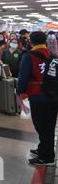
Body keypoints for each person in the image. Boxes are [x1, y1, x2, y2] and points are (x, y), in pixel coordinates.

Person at [17, 31, 58, 166]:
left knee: (41, 126)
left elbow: (23, 77)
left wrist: (20, 92)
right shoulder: (53, 55)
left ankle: (47, 157)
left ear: (31, 42)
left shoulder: (29, 56)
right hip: (54, 95)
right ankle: (43, 149)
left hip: (38, 96)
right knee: (49, 125)